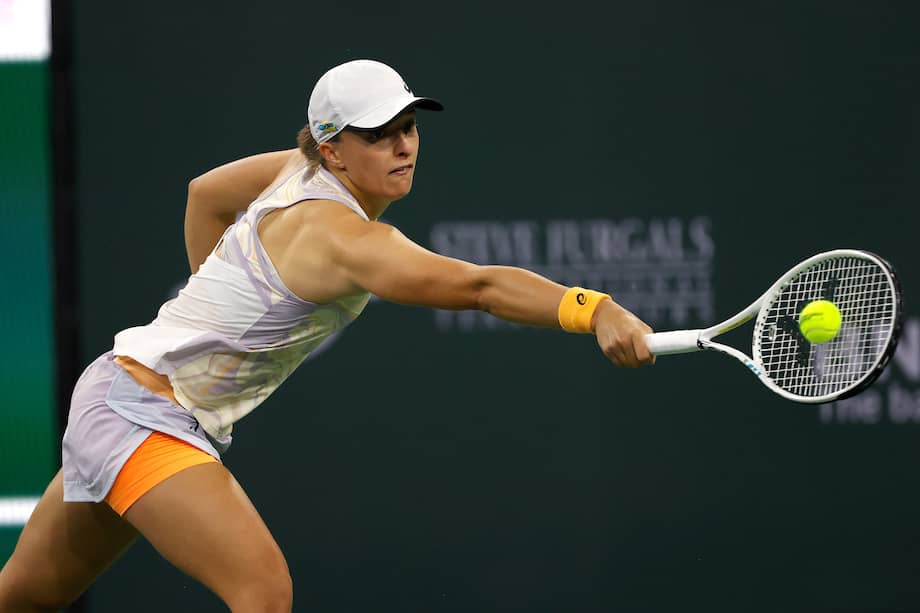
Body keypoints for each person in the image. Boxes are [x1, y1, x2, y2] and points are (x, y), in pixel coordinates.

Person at [0, 59, 655, 612]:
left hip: (115, 391)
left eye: (408, 127)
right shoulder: (349, 240)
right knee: (263, 588)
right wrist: (593, 308)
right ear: (332, 147)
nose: (403, 146)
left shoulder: (294, 169)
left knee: (24, 598)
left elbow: (205, 195)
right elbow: (478, 286)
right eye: (379, 135)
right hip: (141, 415)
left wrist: (219, 301)